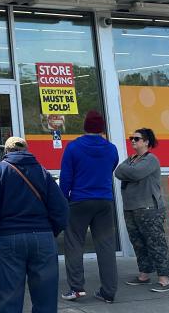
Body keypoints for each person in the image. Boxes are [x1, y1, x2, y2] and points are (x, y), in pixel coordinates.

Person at [0, 136, 69, 313]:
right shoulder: (43, 172)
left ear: (6, 152)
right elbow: (61, 209)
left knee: (9, 296)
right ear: (26, 151)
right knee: (46, 298)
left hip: (8, 237)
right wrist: (51, 231)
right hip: (42, 237)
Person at [59, 110, 120, 304]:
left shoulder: (74, 148)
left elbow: (66, 178)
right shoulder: (111, 149)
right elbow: (111, 167)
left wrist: (62, 200)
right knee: (106, 246)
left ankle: (76, 288)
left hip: (79, 201)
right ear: (102, 128)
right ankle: (108, 292)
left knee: (74, 243)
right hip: (104, 201)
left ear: (85, 126)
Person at [115, 128, 169, 293]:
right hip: (131, 209)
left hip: (149, 209)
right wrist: (127, 171)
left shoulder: (151, 159)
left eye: (137, 138)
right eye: (131, 138)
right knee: (139, 244)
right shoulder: (131, 159)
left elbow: (135, 174)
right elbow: (118, 171)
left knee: (156, 243)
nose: (132, 141)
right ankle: (144, 275)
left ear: (146, 141)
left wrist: (127, 172)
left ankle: (164, 279)